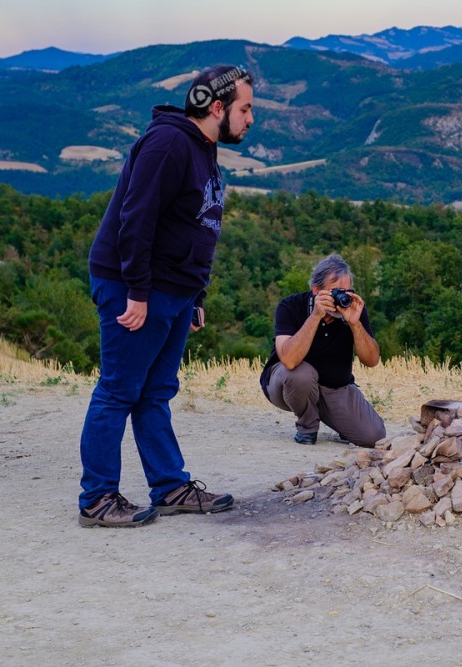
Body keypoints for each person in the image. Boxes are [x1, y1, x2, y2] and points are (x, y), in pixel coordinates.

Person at [78, 65, 255, 528]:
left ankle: (170, 486)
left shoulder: (203, 150)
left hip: (174, 291)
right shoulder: (169, 143)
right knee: (118, 390)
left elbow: (196, 228)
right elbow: (136, 219)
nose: (250, 118)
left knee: (156, 392)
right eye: (245, 108)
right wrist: (135, 291)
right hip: (134, 285)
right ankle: (97, 499)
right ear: (217, 107)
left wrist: (196, 295)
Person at [260, 254, 386, 448]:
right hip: (286, 384)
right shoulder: (290, 306)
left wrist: (355, 324)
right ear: (316, 290)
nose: (341, 298)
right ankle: (307, 427)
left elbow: (372, 360)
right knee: (300, 374)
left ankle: (338, 421)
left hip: (334, 387)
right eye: (336, 291)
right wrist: (315, 316)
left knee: (375, 437)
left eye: (347, 291)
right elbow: (289, 360)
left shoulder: (353, 310)